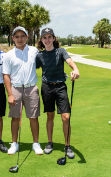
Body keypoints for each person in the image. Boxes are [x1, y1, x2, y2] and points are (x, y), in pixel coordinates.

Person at [36, 27, 80, 158]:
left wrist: (75, 69)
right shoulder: (40, 55)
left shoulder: (61, 51)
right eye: (45, 37)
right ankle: (50, 143)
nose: (47, 39)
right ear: (41, 40)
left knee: (66, 117)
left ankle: (67, 145)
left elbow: (70, 61)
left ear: (54, 38)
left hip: (60, 87)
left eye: (50, 37)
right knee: (50, 116)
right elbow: (30, 68)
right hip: (47, 88)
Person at [2, 26, 43, 155]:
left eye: (22, 36)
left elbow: (44, 63)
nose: (20, 39)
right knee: (15, 118)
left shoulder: (34, 51)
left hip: (31, 88)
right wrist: (9, 94)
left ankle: (36, 143)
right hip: (16, 88)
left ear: (27, 37)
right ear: (13, 38)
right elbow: (6, 75)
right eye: (17, 36)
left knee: (33, 117)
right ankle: (14, 143)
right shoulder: (8, 55)